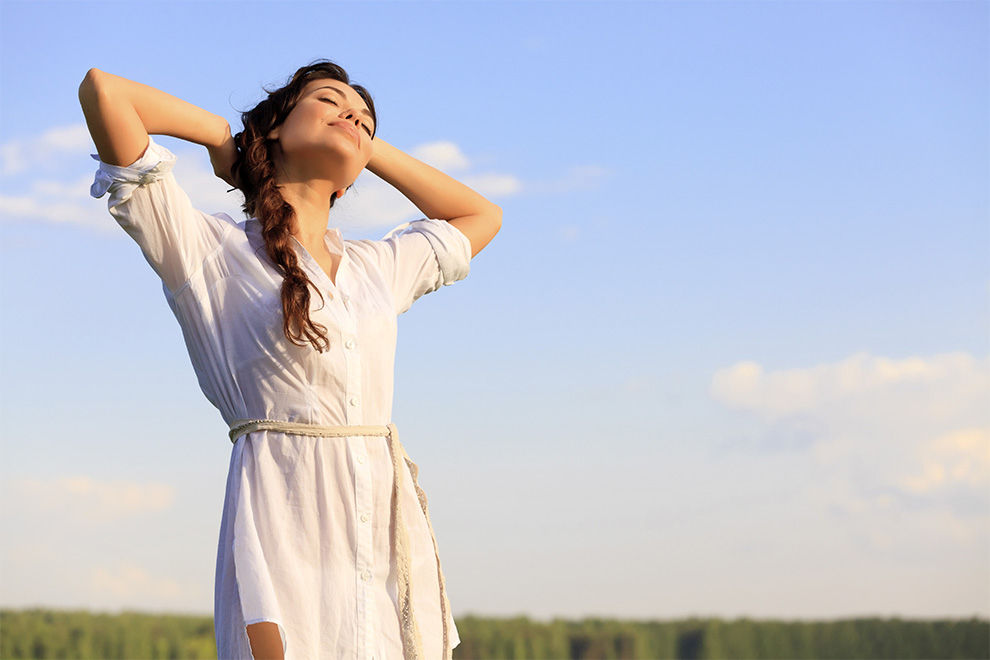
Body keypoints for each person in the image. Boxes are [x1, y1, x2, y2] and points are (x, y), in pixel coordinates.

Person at [78, 59, 501, 660]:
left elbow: (482, 216)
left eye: (365, 114)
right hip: (280, 529)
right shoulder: (209, 251)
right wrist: (230, 140)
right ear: (275, 128)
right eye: (330, 99)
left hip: (383, 538)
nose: (352, 113)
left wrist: (363, 146)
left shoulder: (377, 267)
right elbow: (106, 91)